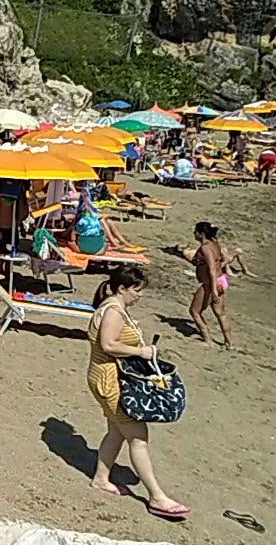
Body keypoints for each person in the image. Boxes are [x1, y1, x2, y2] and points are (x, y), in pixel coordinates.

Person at [86, 266, 189, 520]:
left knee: (116, 431)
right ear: (123, 288)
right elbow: (108, 344)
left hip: (106, 377)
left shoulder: (116, 308)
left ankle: (100, 478)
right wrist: (141, 352)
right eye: (137, 290)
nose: (140, 295)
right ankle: (157, 497)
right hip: (110, 380)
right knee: (138, 437)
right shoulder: (113, 311)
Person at [189, 221, 231, 349]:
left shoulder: (205, 247)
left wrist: (213, 290)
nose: (194, 233)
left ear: (201, 234)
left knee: (194, 311)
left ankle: (208, 340)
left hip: (211, 283)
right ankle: (229, 343)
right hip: (221, 281)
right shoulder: (215, 244)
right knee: (221, 313)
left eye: (196, 231)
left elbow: (212, 268)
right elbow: (222, 260)